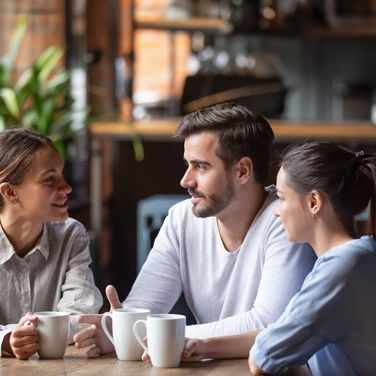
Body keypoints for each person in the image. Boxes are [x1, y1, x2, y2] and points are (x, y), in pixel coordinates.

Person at [74, 102, 316, 358]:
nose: (185, 180)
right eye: (188, 164)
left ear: (242, 171)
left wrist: (169, 335)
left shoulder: (285, 220)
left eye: (201, 167)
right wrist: (119, 329)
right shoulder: (181, 219)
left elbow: (270, 325)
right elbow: (144, 308)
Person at [246, 141, 376, 375]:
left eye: (282, 198)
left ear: (314, 202)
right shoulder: (361, 257)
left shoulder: (341, 268)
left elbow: (262, 359)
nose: (277, 210)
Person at [0, 128, 102, 360]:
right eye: (49, 179)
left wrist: (29, 334)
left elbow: (81, 315)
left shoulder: (71, 235)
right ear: (10, 192)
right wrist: (6, 340)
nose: (66, 187)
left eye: (62, 174)